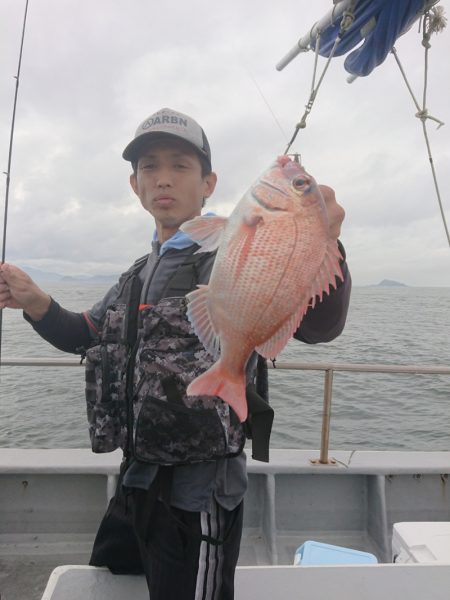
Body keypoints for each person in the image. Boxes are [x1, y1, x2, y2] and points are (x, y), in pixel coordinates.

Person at [0, 107, 351, 600]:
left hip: (200, 492)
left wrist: (320, 237)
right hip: (137, 479)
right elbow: (85, 334)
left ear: (209, 182)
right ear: (134, 185)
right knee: (112, 577)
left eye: (180, 166)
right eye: (150, 167)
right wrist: (35, 302)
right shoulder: (136, 274)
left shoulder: (225, 252)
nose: (163, 178)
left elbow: (321, 325)